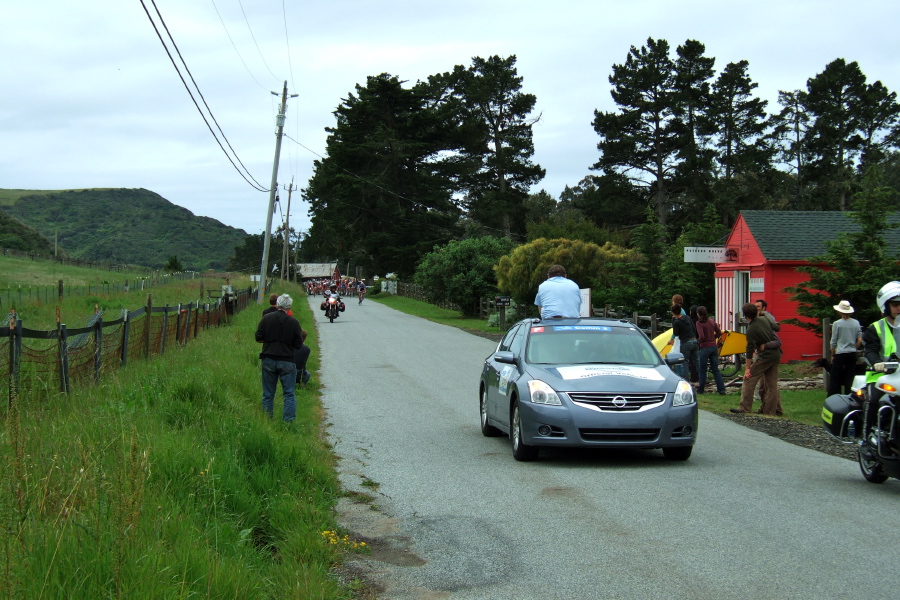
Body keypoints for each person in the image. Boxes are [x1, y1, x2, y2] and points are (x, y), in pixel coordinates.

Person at [255, 294, 304, 422]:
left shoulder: (266, 318)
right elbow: (298, 344)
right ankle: (288, 421)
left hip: (268, 358)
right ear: (289, 306)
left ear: (277, 304)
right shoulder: (294, 322)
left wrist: (270, 340)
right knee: (288, 393)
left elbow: (258, 337)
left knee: (268, 394)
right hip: (286, 360)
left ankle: (267, 420)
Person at [862, 282, 900, 437]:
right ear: (886, 307)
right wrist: (877, 363)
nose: (899, 308)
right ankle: (865, 437)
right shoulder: (875, 328)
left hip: (899, 376)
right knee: (875, 400)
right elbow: (870, 350)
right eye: (895, 304)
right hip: (881, 375)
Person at [731, 302, 783, 415]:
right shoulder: (764, 319)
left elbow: (749, 350)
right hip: (776, 354)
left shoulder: (751, 329)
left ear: (745, 315)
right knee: (772, 384)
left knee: (749, 380)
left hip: (765, 356)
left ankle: (745, 408)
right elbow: (775, 327)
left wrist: (747, 368)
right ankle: (771, 410)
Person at [828, 300, 862, 395]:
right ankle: (849, 396)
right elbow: (859, 339)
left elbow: (833, 341)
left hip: (840, 353)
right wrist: (854, 348)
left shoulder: (837, 323)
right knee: (850, 377)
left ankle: (833, 396)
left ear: (839, 311)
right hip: (851, 353)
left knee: (835, 377)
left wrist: (833, 354)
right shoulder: (856, 323)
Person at [695, 306, 727, 395]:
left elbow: (701, 336)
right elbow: (719, 332)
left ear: (698, 314)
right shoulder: (712, 321)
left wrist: (698, 342)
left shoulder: (699, 323)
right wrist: (713, 338)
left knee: (703, 369)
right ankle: (721, 389)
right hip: (713, 346)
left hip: (705, 347)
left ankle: (701, 389)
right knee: (715, 369)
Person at [669, 304, 700, 383]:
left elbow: (675, 333)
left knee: (685, 362)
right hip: (694, 340)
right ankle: (702, 378)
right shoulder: (687, 318)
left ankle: (686, 380)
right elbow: (693, 328)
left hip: (686, 342)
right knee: (697, 361)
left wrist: (671, 340)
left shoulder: (677, 322)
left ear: (673, 312)